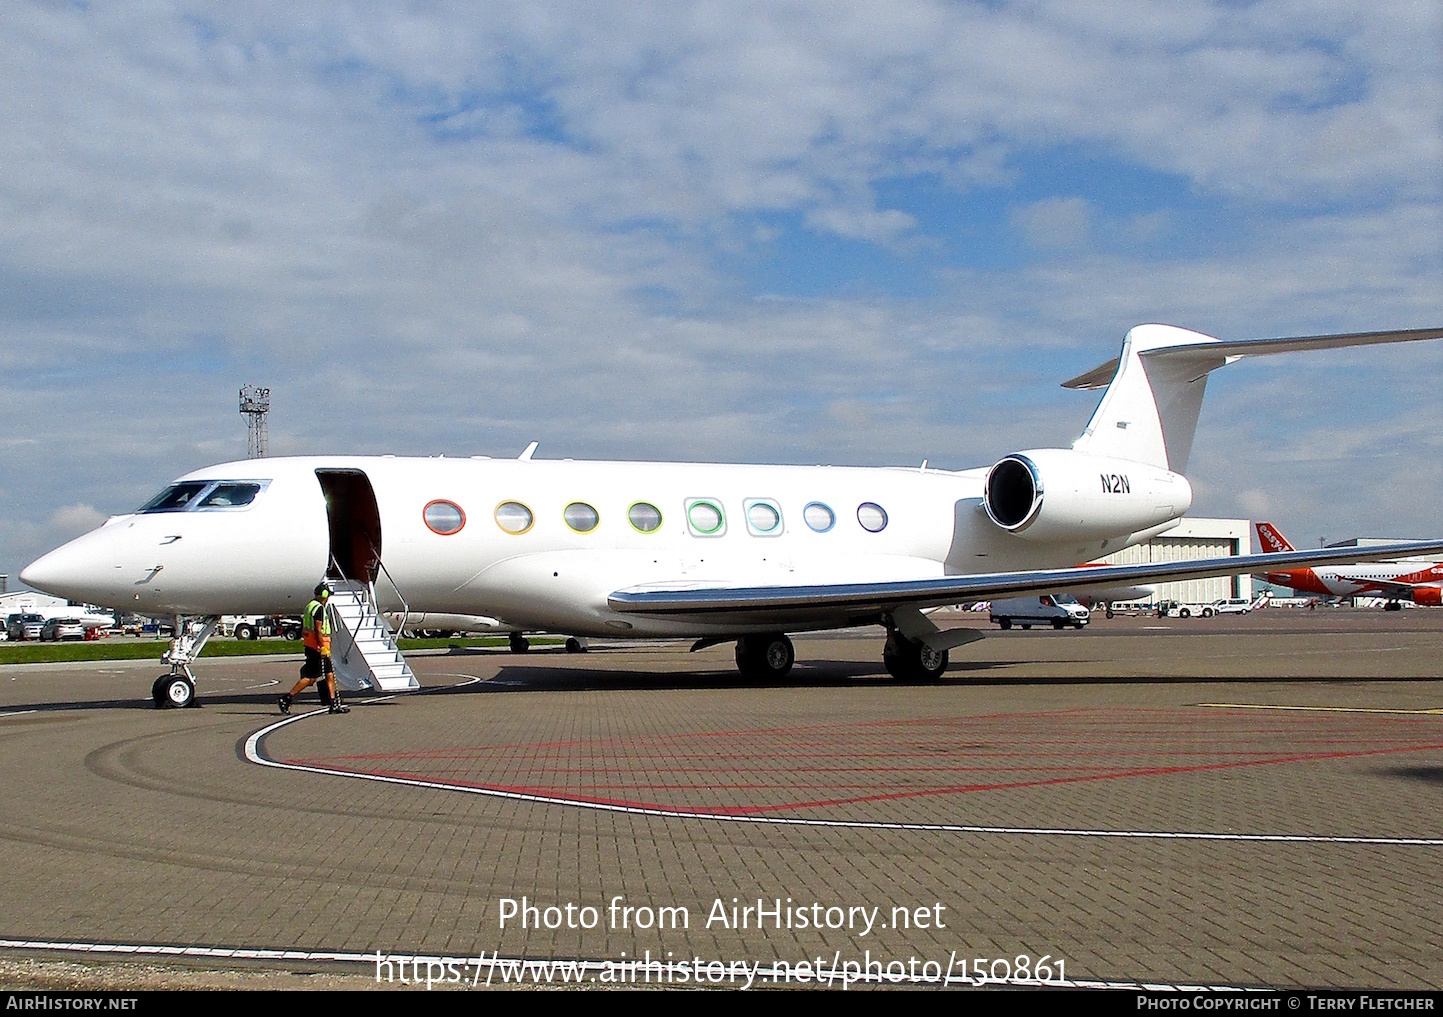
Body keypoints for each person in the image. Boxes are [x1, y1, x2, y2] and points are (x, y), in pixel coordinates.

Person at [278, 582, 348, 715]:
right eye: (327, 596)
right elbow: (318, 629)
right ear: (324, 595)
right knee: (310, 678)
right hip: (318, 647)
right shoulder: (319, 609)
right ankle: (286, 698)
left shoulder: (310, 606)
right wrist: (322, 646)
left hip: (311, 645)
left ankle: (333, 703)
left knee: (329, 674)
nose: (328, 599)